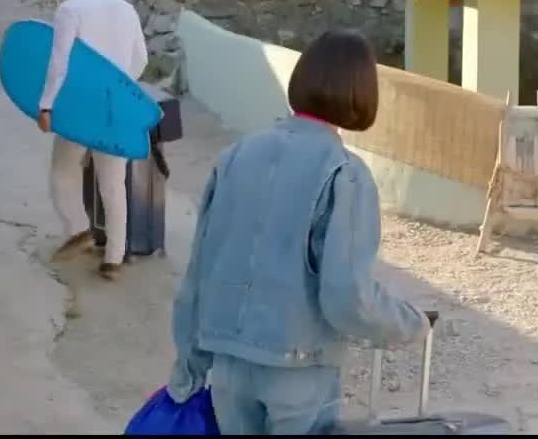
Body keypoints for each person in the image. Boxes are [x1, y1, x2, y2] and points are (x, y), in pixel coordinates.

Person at [167, 29, 429, 435]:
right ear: (361, 93)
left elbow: (200, 270)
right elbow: (347, 296)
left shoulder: (236, 155)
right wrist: (410, 324)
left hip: (228, 365)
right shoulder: (345, 173)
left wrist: (189, 367)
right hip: (299, 370)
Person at [38, 0, 148, 281]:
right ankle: (114, 258)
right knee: (113, 183)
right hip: (116, 105)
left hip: (79, 106)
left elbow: (59, 64)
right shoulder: (126, 9)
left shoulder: (70, 10)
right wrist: (120, 87)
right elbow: (141, 60)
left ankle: (79, 228)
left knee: (62, 173)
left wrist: (46, 104)